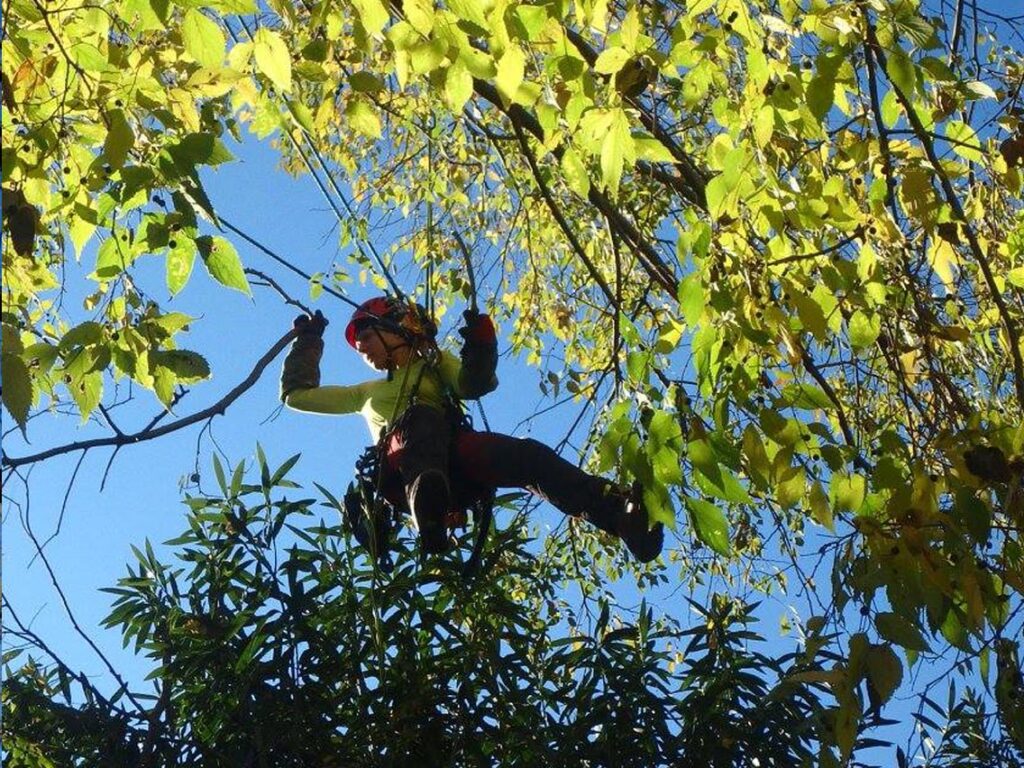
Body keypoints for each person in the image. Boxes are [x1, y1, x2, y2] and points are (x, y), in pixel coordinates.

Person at [279, 296, 663, 563]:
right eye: (357, 343)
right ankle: (425, 506)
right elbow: (297, 396)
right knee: (420, 420)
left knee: (526, 456)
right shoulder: (364, 394)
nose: (361, 348)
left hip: (453, 461)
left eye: (365, 336)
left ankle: (622, 519)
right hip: (401, 469)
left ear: (398, 328)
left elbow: (472, 385)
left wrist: (481, 343)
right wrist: (309, 342)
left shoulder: (435, 363)